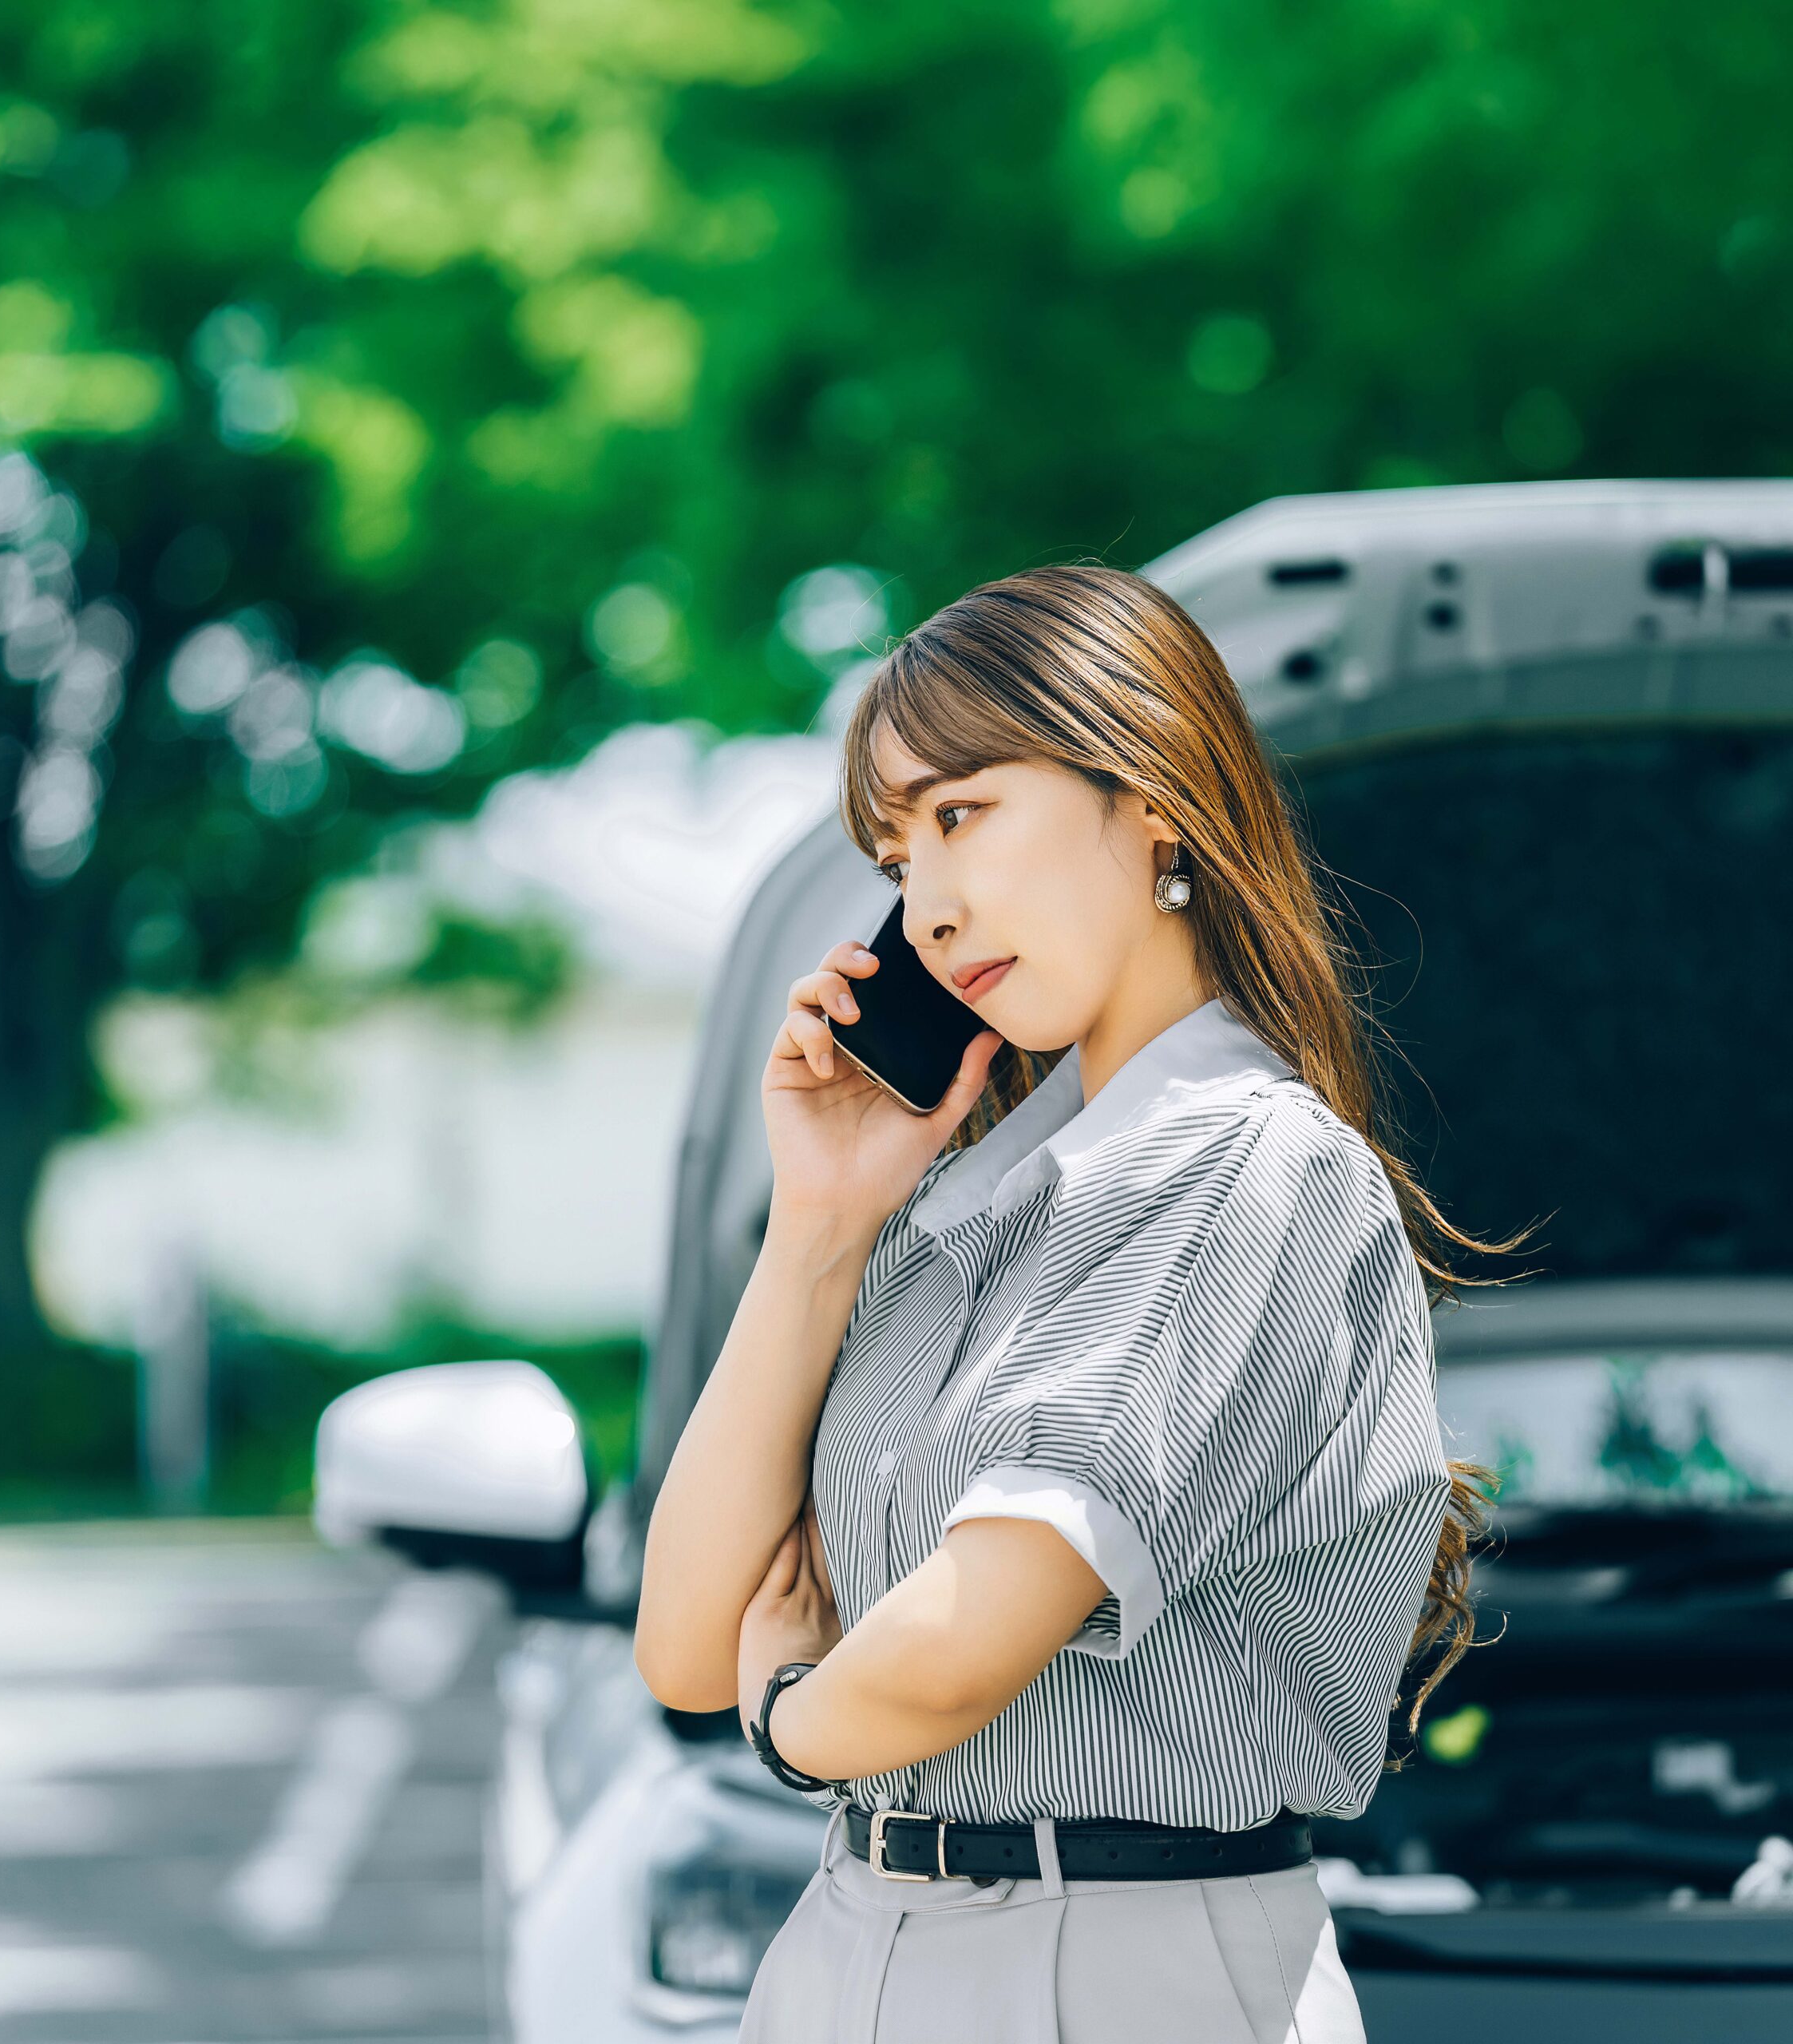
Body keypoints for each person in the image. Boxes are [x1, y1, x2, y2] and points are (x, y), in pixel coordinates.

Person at [633, 562, 1522, 2042]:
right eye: (897, 851)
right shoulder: (947, 1224)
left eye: (961, 813)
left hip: (1120, 1970)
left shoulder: (1246, 1167)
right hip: (857, 1942)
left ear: (1153, 792)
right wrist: (820, 1224)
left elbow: (952, 1653)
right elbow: (682, 1640)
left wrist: (793, 1718)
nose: (926, 903)